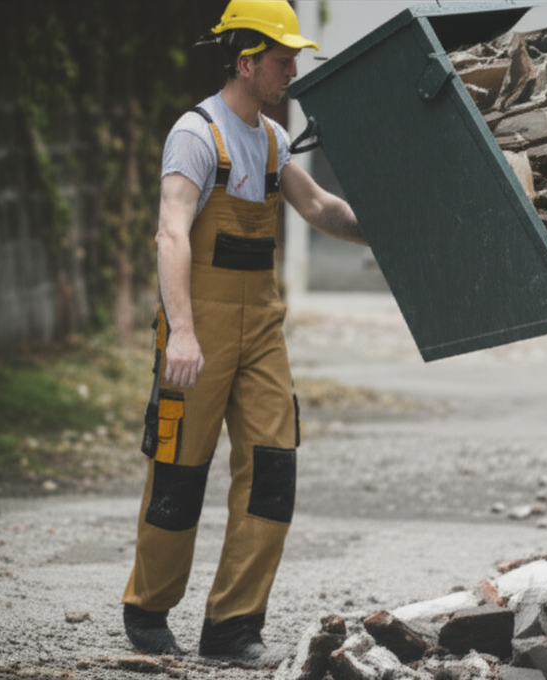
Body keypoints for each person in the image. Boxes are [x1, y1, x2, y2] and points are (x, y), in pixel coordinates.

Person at [122, 0, 365, 664]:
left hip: (261, 331)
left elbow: (316, 206)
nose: (292, 71)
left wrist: (383, 223)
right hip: (199, 330)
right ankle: (147, 610)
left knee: (271, 468)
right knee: (178, 471)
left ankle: (232, 626)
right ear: (247, 61)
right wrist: (182, 333)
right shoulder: (199, 135)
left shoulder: (274, 139)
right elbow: (172, 231)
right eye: (283, 60)